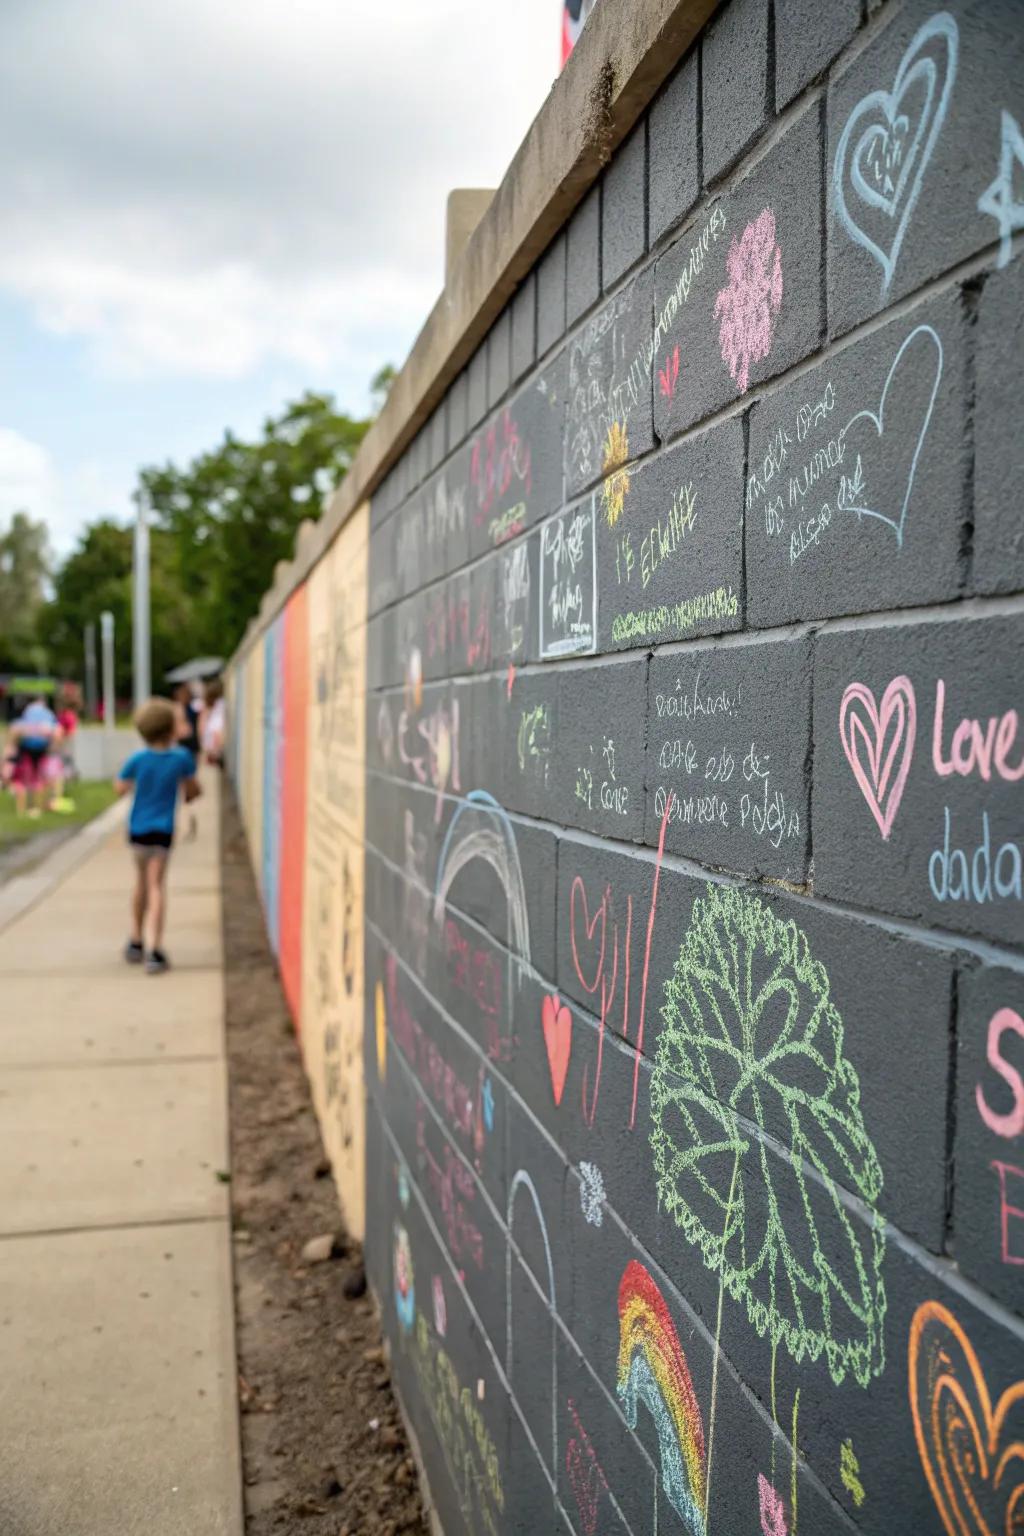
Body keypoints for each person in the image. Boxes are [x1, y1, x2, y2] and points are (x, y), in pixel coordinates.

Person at [115, 697, 201, 975]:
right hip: (163, 830)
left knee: (139, 883)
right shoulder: (181, 759)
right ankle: (156, 950)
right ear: (170, 728)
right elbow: (192, 790)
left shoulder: (138, 759)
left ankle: (136, 940)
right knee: (157, 886)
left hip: (138, 830)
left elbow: (120, 787)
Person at [13, 696, 58, 817]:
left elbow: (18, 730)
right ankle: (38, 808)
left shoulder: (28, 712)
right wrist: (52, 747)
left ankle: (25, 809)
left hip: (27, 748)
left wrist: (13, 747)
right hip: (42, 748)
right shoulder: (47, 713)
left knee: (26, 780)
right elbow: (56, 731)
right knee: (39, 780)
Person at [200, 677, 225, 767]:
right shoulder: (217, 708)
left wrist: (214, 751)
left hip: (214, 749)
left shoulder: (218, 707)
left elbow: (216, 730)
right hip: (213, 749)